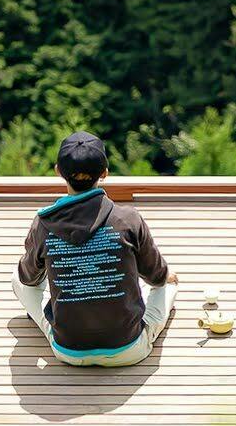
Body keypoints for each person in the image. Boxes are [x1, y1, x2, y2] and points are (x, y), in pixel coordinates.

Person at [13, 132, 178, 367]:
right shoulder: (128, 218)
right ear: (105, 173)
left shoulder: (43, 224)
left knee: (16, 279)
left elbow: (27, 278)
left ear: (58, 170)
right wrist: (167, 277)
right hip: (129, 349)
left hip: (69, 352)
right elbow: (157, 276)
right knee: (166, 284)